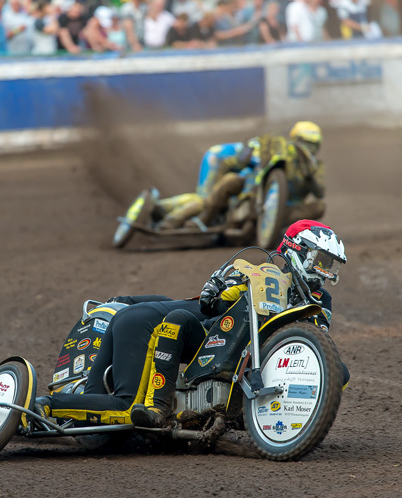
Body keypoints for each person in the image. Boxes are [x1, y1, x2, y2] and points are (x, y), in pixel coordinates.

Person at [130, 219, 350, 427]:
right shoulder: (256, 275)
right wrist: (213, 290)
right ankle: (156, 408)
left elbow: (319, 340)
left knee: (340, 371)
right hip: (220, 342)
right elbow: (212, 306)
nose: (325, 270)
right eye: (321, 260)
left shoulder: (321, 299)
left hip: (272, 360)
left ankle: (293, 419)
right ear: (298, 250)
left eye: (329, 264)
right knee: (177, 320)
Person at [33, 296, 211, 423]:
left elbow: (157, 300)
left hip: (121, 317)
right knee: (126, 405)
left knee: (88, 413)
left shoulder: (198, 303)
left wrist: (121, 300)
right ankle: (47, 404)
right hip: (140, 327)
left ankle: (55, 403)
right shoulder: (224, 317)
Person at [153, 121, 327, 231]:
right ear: (294, 139)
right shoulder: (277, 150)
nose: (308, 148)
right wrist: (250, 153)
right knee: (226, 183)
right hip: (250, 193)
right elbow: (240, 161)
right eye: (305, 143)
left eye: (313, 145)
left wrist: (310, 177)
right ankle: (188, 217)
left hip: (280, 209)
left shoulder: (315, 168)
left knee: (319, 207)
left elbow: (320, 193)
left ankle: (271, 227)